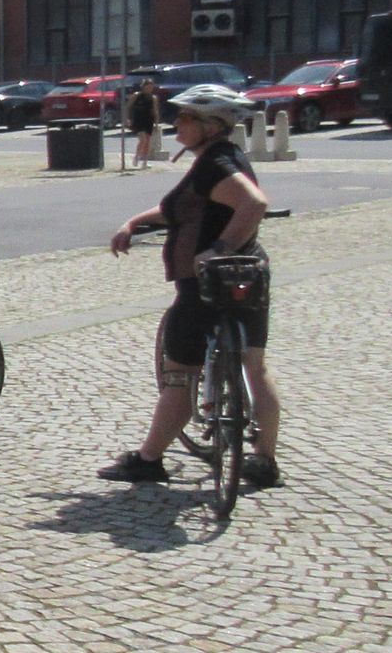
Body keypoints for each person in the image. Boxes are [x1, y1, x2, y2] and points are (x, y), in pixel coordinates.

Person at [101, 84, 282, 489]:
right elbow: (179, 208)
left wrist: (218, 248)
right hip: (248, 273)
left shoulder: (216, 163)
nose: (176, 123)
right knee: (255, 367)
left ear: (210, 125)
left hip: (205, 284)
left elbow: (254, 204)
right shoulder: (224, 158)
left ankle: (148, 460)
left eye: (185, 117)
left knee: (181, 374)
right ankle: (265, 460)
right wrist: (135, 222)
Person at [127, 78, 159, 168]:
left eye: (151, 87)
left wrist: (156, 123)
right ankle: (137, 157)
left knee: (147, 142)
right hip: (138, 120)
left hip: (148, 120)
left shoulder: (153, 98)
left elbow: (155, 111)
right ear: (143, 86)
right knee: (143, 140)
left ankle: (145, 162)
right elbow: (128, 107)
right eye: (148, 87)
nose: (150, 89)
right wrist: (128, 118)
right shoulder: (136, 95)